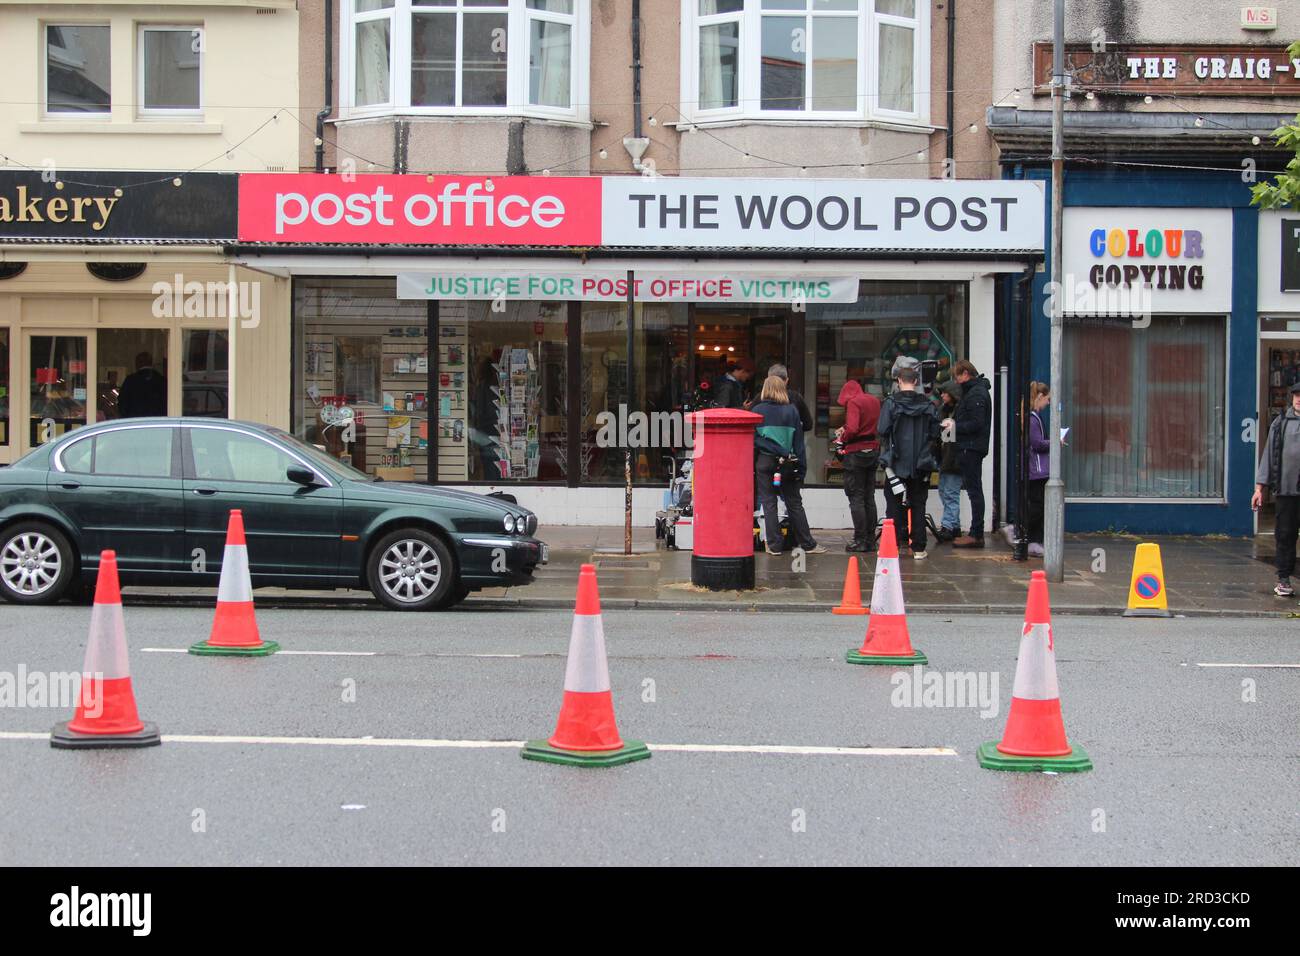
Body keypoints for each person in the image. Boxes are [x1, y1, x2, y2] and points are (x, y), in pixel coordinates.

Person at [752, 374, 826, 556]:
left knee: (769, 502)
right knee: (794, 503)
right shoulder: (792, 411)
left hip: (765, 461)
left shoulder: (757, 410)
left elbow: (752, 440)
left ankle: (774, 545)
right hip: (786, 463)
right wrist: (801, 468)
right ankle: (808, 544)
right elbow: (799, 443)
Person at [877, 365, 939, 558]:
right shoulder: (929, 405)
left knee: (893, 504)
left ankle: (893, 544)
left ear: (899, 381)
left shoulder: (890, 403)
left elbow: (882, 429)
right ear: (916, 381)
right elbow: (938, 434)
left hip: (896, 463)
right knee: (919, 504)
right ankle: (919, 548)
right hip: (921, 463)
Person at [1253, 381, 1300, 597]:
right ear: (1292, 398)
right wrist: (1259, 489)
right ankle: (1284, 579)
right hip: (1286, 492)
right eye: (1296, 395)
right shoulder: (1280, 423)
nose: (1299, 399)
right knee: (1285, 535)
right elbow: (1267, 457)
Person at [943, 359, 992, 548]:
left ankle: (976, 533)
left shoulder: (976, 394)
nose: (956, 381)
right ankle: (975, 532)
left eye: (957, 376)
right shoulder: (974, 392)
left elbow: (976, 423)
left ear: (965, 373)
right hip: (969, 446)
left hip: (970, 448)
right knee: (974, 490)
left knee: (974, 491)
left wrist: (954, 425)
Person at [835, 378, 881, 552]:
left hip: (856, 453)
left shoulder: (854, 402)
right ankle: (870, 539)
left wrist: (842, 437)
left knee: (856, 497)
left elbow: (853, 429)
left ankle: (860, 540)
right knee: (869, 496)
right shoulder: (874, 401)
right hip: (873, 450)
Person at [934, 379, 963, 543]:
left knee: (950, 492)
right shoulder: (944, 411)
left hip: (954, 458)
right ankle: (954, 525)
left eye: (945, 393)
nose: (943, 395)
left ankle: (948, 527)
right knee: (945, 491)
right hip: (945, 456)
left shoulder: (956, 412)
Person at [1025, 381, 1051, 558]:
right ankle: (1028, 536)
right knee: (1037, 506)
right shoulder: (1033, 419)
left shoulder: (1033, 418)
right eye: (1047, 399)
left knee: (1038, 505)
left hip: (1036, 469)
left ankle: (1033, 540)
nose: (1048, 403)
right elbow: (1037, 443)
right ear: (1040, 397)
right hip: (1037, 470)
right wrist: (1054, 442)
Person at [117, 351, 167, 418]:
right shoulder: (162, 380)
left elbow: (122, 404)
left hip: (135, 422)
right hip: (157, 422)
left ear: (137, 363)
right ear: (151, 363)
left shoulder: (130, 380)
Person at [767, 363, 812, 432]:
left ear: (767, 380)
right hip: (791, 440)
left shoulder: (760, 399)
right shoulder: (796, 398)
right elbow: (808, 425)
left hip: (765, 441)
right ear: (787, 380)